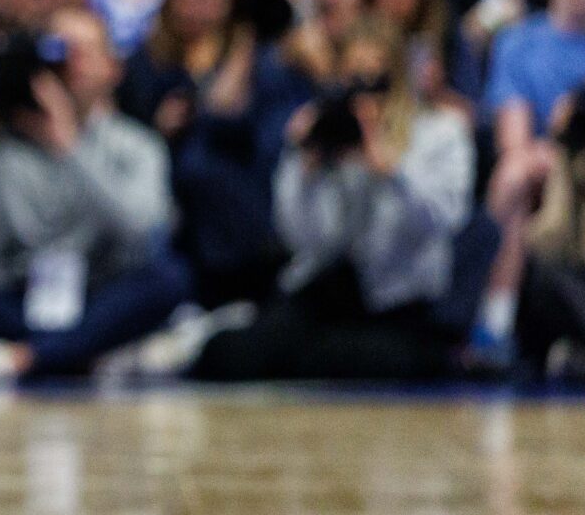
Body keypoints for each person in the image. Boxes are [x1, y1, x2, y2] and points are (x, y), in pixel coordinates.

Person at [0, 8, 188, 379]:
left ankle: (22, 358)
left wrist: (71, 149)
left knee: (169, 278)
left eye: (83, 52)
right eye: (60, 51)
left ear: (113, 69)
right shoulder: (4, 141)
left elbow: (142, 229)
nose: (70, 64)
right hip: (22, 293)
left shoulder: (138, 144)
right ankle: (86, 355)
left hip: (100, 289)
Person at [192, 19, 476, 381]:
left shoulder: (440, 132)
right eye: (353, 82)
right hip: (326, 292)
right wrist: (305, 169)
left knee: (348, 361)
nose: (365, 97)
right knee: (228, 357)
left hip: (400, 303)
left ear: (400, 82)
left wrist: (390, 170)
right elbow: (299, 238)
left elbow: (444, 221)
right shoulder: (328, 130)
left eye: (377, 82)